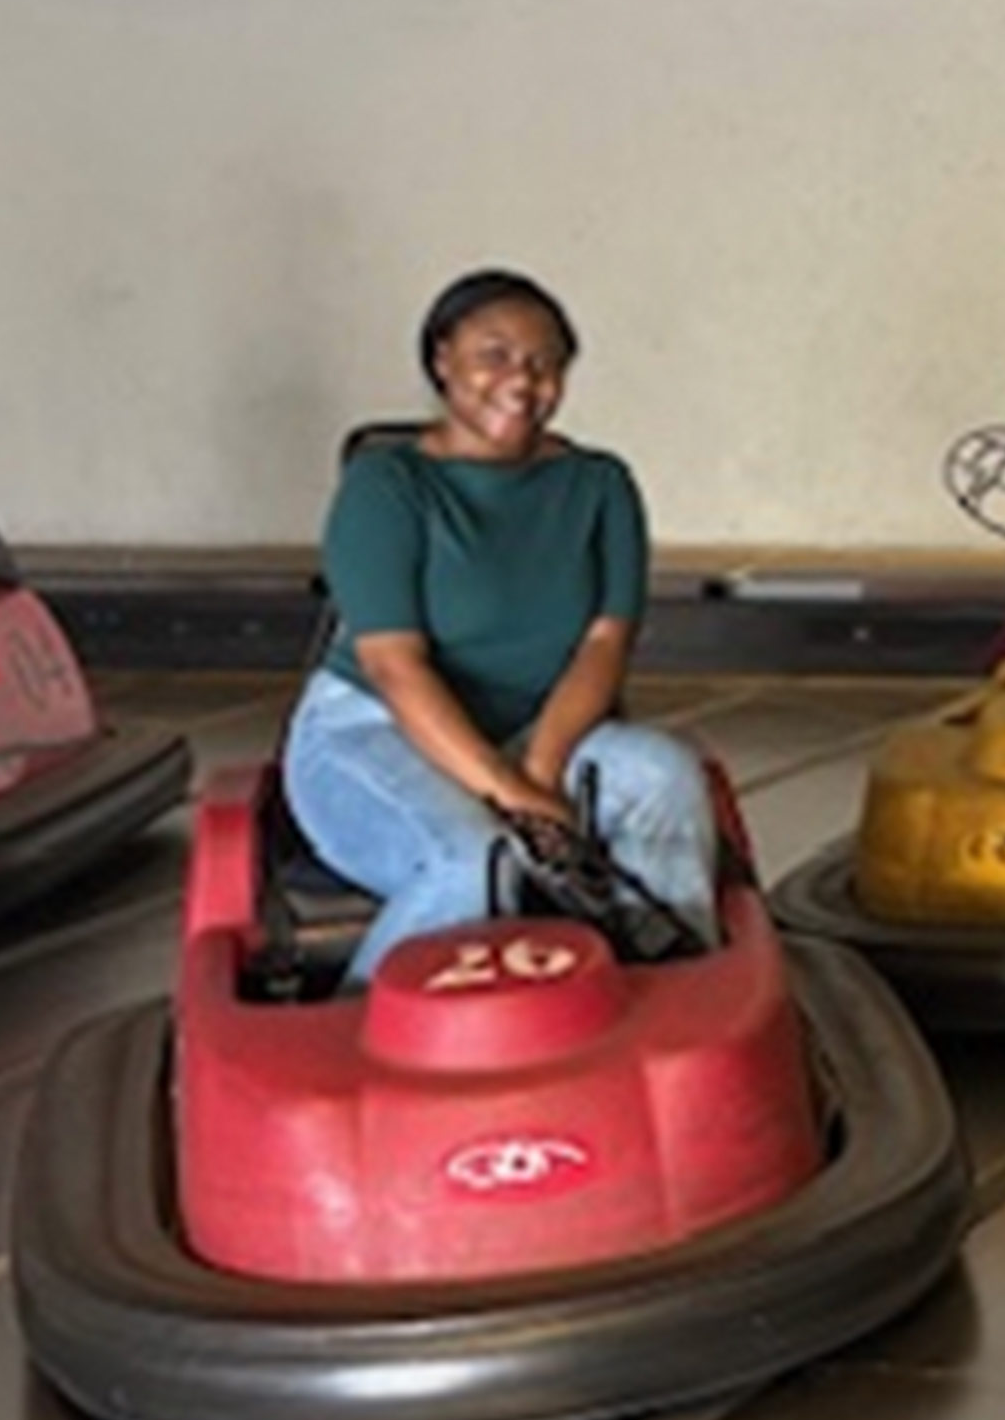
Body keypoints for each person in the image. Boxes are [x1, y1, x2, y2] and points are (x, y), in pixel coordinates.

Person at [282, 269, 717, 985]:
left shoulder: (599, 485)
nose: (522, 380)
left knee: (664, 775)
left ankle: (669, 1003)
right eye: (495, 355)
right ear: (442, 359)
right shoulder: (387, 485)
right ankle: (354, 1036)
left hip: (533, 732)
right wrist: (511, 796)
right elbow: (396, 667)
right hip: (377, 730)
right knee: (475, 859)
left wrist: (540, 771)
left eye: (545, 364)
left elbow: (605, 642)